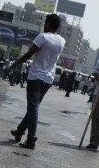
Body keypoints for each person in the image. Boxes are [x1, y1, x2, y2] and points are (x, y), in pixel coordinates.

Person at [7, 13, 66, 150]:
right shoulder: (62, 41)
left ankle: (31, 139)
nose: (44, 25)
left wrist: (14, 64)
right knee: (33, 107)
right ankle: (20, 131)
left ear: (49, 24)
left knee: (33, 108)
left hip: (36, 77)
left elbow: (29, 54)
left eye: (46, 23)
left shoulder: (43, 37)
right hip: (48, 79)